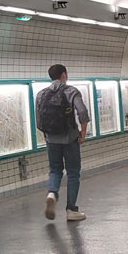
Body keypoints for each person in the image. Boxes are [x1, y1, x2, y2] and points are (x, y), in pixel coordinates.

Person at [35, 64, 90, 223]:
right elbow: (82, 112)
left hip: (51, 140)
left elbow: (39, 120)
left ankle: (52, 193)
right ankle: (71, 210)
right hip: (70, 138)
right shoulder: (71, 91)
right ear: (64, 74)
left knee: (55, 170)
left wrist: (48, 136)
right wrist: (83, 133)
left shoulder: (41, 94)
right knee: (73, 173)